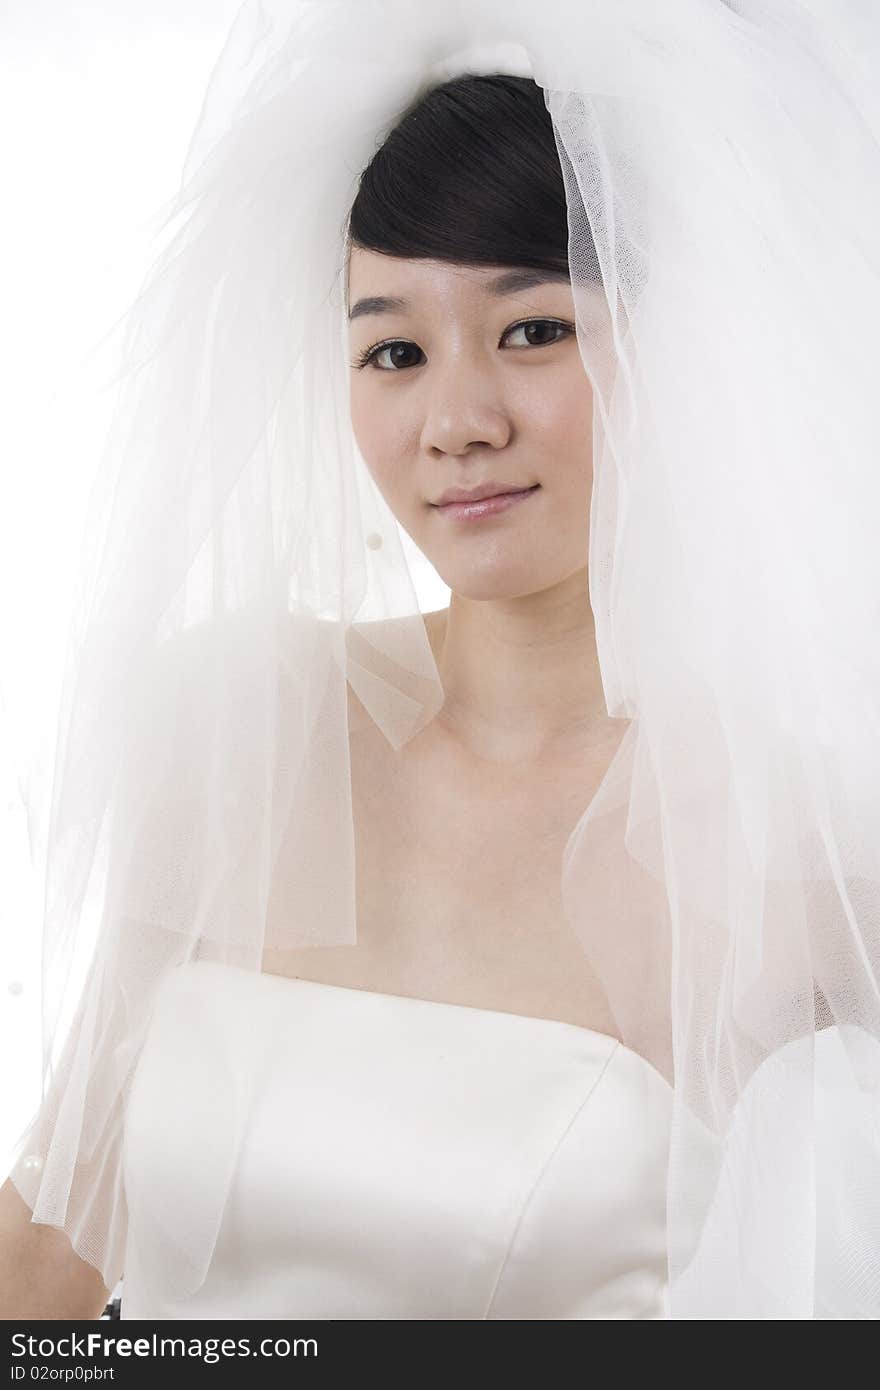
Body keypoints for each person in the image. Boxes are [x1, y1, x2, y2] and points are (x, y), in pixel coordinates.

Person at [2, 0, 879, 1321]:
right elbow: (55, 1254)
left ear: (680, 342)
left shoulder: (805, 853)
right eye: (394, 350)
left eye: (533, 329)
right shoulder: (239, 720)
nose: (458, 421)